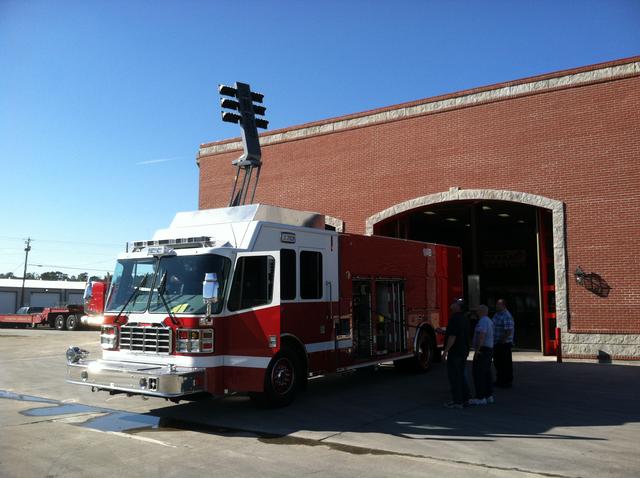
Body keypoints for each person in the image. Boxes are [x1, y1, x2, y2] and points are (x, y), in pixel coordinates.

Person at [443, 301, 471, 409]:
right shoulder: (464, 318)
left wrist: (445, 351)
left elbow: (453, 336)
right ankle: (465, 399)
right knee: (461, 375)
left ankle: (457, 401)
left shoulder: (454, 318)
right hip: (463, 351)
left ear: (459, 307)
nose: (453, 304)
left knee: (455, 377)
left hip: (455, 352)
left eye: (455, 303)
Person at [469, 304, 495, 405]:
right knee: (487, 373)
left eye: (478, 311)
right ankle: (489, 395)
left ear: (482, 311)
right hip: (488, 349)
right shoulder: (489, 320)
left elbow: (481, 335)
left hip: (483, 350)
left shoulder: (483, 321)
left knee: (478, 373)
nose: (476, 312)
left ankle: (480, 397)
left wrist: (477, 350)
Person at [492, 298, 514, 388]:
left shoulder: (506, 315)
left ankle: (506, 382)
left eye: (498, 304)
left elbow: (508, 331)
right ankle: (500, 380)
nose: (496, 306)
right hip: (497, 343)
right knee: (498, 363)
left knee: (505, 363)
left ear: (504, 305)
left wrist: (502, 341)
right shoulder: (497, 314)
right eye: (496, 304)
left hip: (503, 344)